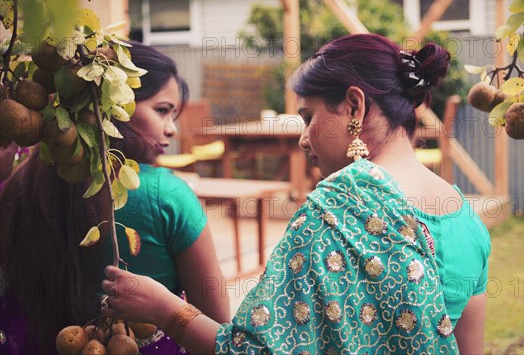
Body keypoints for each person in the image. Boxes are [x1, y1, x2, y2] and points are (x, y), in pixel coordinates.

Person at [100, 33, 491, 354]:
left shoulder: (337, 209)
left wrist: (166, 309)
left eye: (308, 118)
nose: (303, 139)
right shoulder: (468, 222)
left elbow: (250, 351)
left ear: (354, 106)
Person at [0, 42, 230, 354]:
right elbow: (220, 333)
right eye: (162, 111)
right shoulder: (168, 196)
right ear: (115, 105)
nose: (172, 129)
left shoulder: (16, 187)